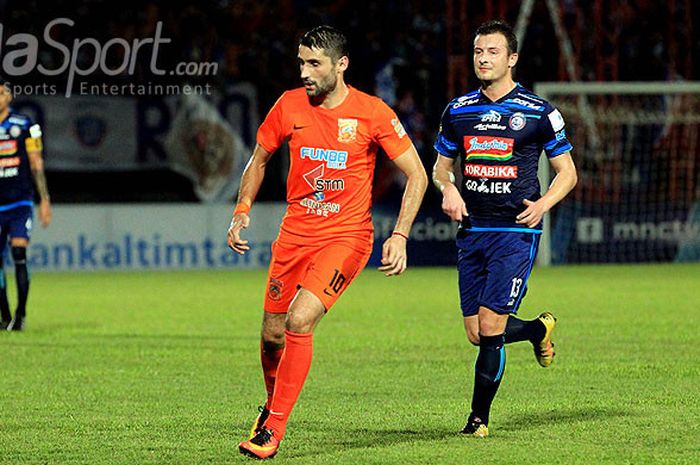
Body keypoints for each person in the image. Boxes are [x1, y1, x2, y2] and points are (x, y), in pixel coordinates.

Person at [228, 26, 427, 459]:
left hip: (346, 238)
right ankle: (271, 407)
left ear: (342, 65)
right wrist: (242, 209)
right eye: (301, 62)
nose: (305, 71)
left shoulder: (372, 113)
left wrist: (400, 235)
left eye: (314, 63)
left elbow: (418, 174)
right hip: (294, 236)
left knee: (300, 321)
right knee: (272, 337)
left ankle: (272, 432)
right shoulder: (289, 105)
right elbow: (258, 159)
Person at [432, 20, 577, 437]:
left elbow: (566, 172)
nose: (483, 58)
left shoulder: (539, 112)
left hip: (516, 231)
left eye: (493, 52)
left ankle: (478, 420)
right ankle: (536, 328)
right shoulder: (458, 111)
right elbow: (441, 169)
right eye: (479, 52)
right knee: (477, 333)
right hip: (471, 230)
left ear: (511, 59)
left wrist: (545, 204)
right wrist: (449, 190)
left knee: (492, 326)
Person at [0, 81, 52, 331]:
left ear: (9, 96)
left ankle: (20, 315)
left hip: (19, 202)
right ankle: (4, 315)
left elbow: (36, 162)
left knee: (19, 254)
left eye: (1, 93)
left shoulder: (26, 126)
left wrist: (44, 199)